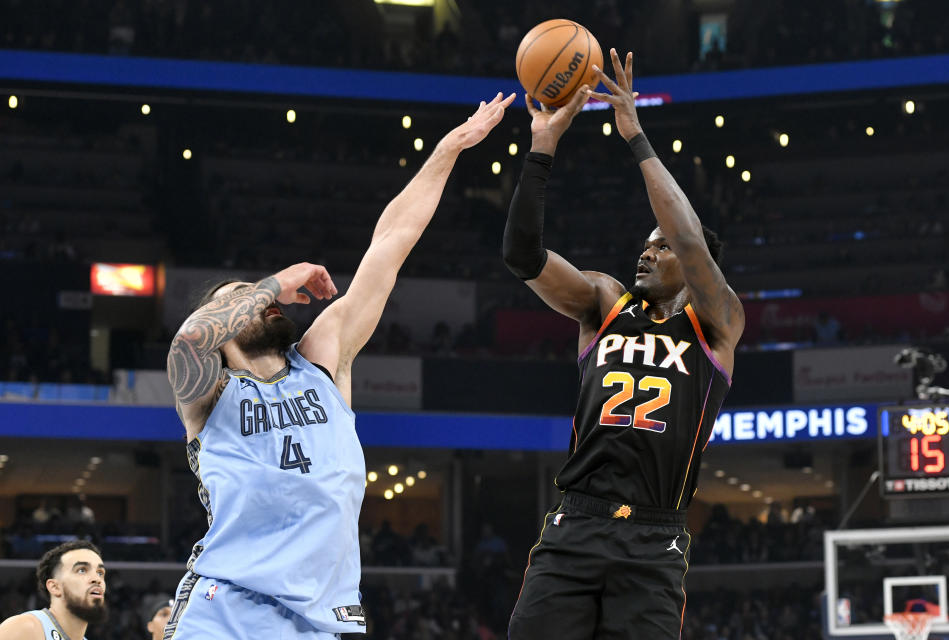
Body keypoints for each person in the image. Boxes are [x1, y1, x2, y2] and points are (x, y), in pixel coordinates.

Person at [164, 91, 514, 639]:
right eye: (242, 301)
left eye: (262, 300)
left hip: (322, 617)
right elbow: (187, 341)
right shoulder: (208, 395)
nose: (261, 305)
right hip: (226, 608)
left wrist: (450, 147)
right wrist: (274, 282)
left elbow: (391, 243)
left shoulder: (321, 361)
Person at [502, 50, 744, 639]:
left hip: (653, 537)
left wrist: (635, 137)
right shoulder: (606, 303)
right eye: (644, 243)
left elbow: (688, 236)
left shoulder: (718, 323)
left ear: (693, 265)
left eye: (660, 247)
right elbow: (522, 256)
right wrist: (542, 147)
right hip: (575, 523)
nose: (647, 251)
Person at [0, 540, 107, 640]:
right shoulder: (25, 628)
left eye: (100, 572)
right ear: (55, 587)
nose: (97, 579)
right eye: (82, 570)